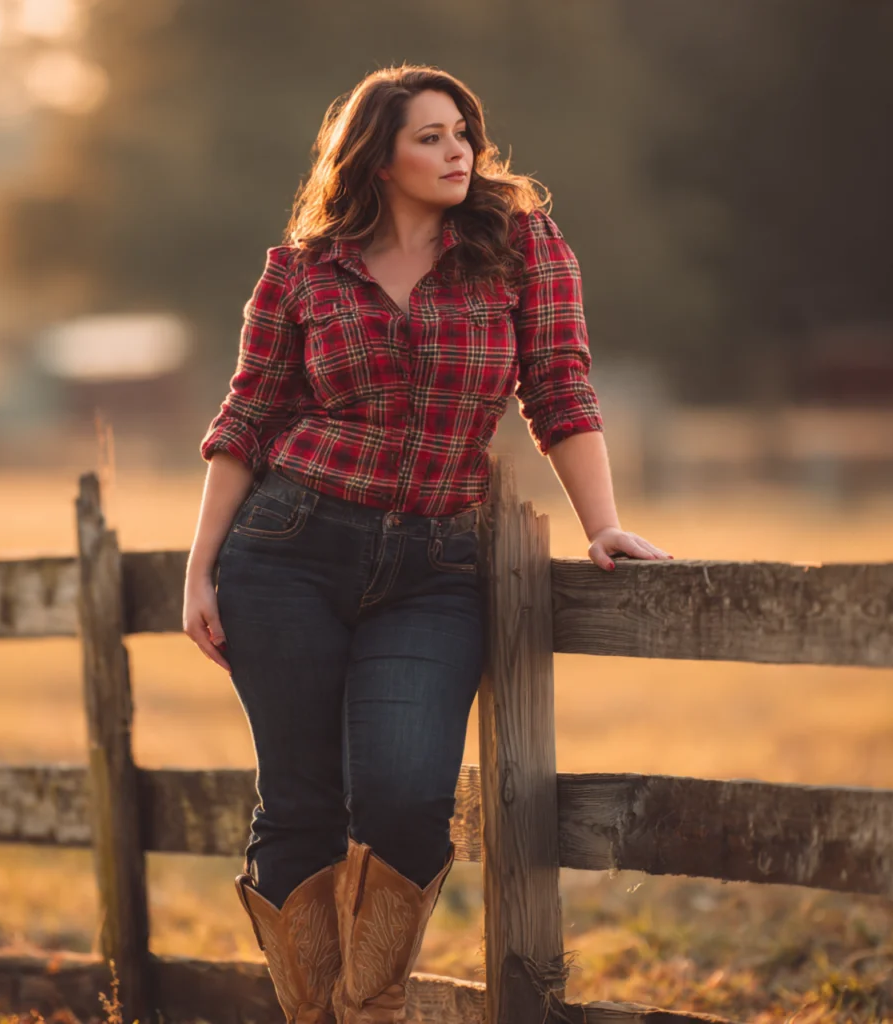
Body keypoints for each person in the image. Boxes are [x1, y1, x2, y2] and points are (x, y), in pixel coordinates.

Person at [183, 64, 672, 1024]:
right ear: (377, 155)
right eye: (432, 137)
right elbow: (248, 416)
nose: (459, 152)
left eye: (464, 133)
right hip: (286, 550)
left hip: (435, 567)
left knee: (407, 800)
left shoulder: (522, 244)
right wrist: (201, 565)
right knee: (300, 806)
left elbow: (561, 386)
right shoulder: (303, 268)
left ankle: (368, 1006)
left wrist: (601, 522)